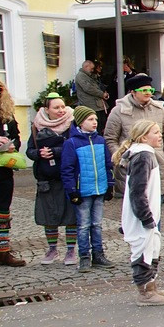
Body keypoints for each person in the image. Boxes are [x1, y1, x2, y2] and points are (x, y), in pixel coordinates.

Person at [114, 121, 164, 306]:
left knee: (152, 249)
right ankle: (145, 292)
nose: (160, 135)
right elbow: (137, 191)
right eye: (155, 132)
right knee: (143, 252)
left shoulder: (145, 154)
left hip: (146, 214)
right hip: (142, 216)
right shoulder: (143, 156)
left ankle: (150, 286)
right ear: (144, 137)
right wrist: (146, 217)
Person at [60, 107, 115, 272]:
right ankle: (84, 256)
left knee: (97, 224)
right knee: (83, 225)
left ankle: (98, 254)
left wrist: (110, 185)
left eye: (95, 120)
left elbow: (108, 164)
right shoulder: (71, 143)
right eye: (90, 119)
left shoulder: (100, 141)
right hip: (82, 191)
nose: (94, 122)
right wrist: (72, 191)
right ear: (80, 122)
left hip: (99, 189)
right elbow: (67, 169)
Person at [103, 73, 164, 196]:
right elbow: (110, 138)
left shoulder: (159, 109)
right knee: (135, 207)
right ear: (133, 92)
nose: (148, 93)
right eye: (144, 90)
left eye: (150, 89)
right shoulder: (119, 111)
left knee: (156, 207)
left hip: (157, 164)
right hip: (130, 165)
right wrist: (120, 158)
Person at [27, 93, 78, 265]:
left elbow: (75, 145)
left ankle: (71, 251)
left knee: (71, 216)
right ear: (47, 110)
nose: (61, 110)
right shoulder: (37, 126)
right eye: (56, 108)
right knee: (49, 216)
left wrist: (55, 152)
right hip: (46, 180)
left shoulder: (72, 124)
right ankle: (52, 249)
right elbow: (29, 150)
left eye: (63, 107)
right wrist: (39, 153)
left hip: (67, 177)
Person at [0, 78, 22, 266]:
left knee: (3, 213)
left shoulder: (7, 116)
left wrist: (11, 146)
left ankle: (3, 251)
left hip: (4, 173)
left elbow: (17, 138)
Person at [74, 60, 109, 128]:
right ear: (86, 66)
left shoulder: (89, 76)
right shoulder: (81, 76)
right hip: (91, 106)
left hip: (97, 105)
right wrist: (102, 94)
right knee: (97, 127)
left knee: (102, 126)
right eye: (91, 68)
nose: (92, 70)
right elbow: (89, 88)